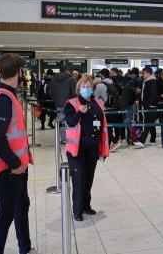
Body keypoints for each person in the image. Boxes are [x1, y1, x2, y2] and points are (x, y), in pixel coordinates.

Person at [0, 53, 35, 254]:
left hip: (17, 168)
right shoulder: (3, 97)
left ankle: (25, 247)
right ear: (18, 72)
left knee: (22, 207)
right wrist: (15, 164)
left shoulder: (0, 92)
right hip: (9, 170)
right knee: (6, 215)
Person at [64, 74, 110, 221]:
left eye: (89, 86)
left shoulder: (97, 103)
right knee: (79, 179)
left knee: (89, 178)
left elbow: (102, 124)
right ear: (78, 89)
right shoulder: (72, 103)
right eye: (83, 87)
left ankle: (86, 206)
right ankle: (77, 210)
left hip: (92, 148)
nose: (86, 89)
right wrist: (79, 113)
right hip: (77, 149)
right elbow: (70, 122)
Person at [49, 63, 76, 144]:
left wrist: (56, 99)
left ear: (59, 70)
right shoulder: (70, 79)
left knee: (61, 120)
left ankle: (64, 138)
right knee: (70, 120)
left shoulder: (54, 79)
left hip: (58, 103)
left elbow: (51, 92)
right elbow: (74, 92)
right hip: (69, 103)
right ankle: (70, 137)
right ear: (66, 70)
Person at [134, 67, 158, 149]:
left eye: (143, 73)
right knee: (151, 123)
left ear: (148, 73)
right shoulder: (147, 81)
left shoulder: (152, 82)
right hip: (148, 105)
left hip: (150, 106)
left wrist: (146, 104)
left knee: (147, 123)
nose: (142, 75)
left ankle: (142, 141)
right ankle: (153, 140)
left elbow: (152, 94)